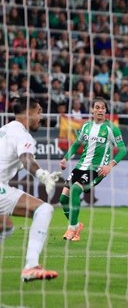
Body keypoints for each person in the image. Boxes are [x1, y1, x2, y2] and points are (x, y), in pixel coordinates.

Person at [0, 98, 61, 281]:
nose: (41, 117)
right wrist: (42, 174)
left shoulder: (5, 129)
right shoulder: (23, 135)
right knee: (44, 209)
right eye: (39, 112)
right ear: (29, 113)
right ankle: (31, 266)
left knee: (6, 226)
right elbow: (27, 159)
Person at [58, 97, 127, 241]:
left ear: (106, 110)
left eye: (102, 108)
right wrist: (65, 158)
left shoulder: (111, 128)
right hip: (80, 166)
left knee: (76, 190)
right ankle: (76, 225)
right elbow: (77, 144)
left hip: (96, 170)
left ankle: (71, 229)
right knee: (63, 199)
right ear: (92, 110)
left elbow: (122, 150)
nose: (100, 110)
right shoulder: (86, 126)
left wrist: (110, 165)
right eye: (97, 107)